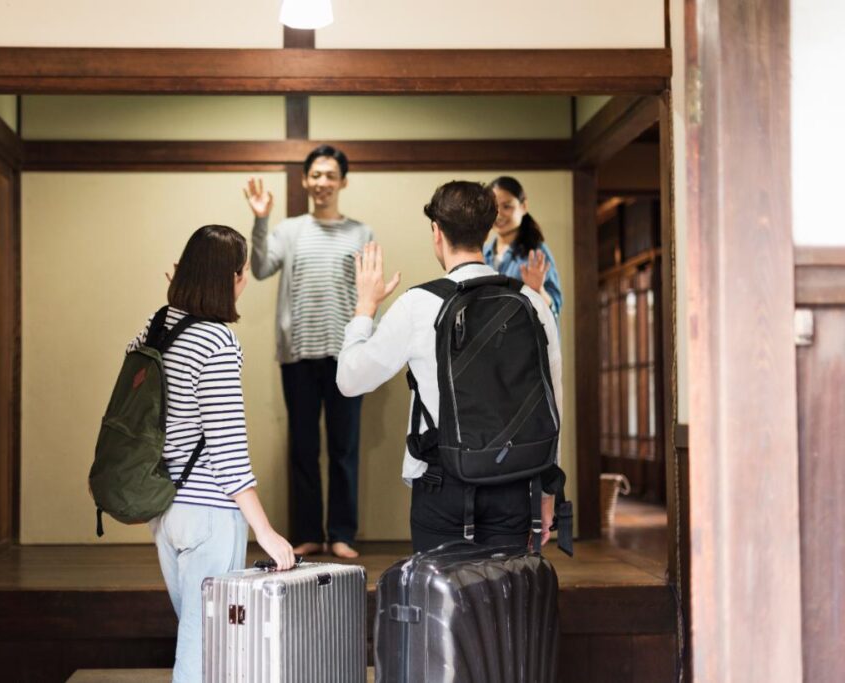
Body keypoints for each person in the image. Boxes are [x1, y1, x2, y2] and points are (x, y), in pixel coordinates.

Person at [336, 181, 562, 553]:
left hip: (442, 484)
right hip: (516, 482)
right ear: (487, 230)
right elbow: (552, 400)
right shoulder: (531, 301)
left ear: (436, 232)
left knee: (441, 589)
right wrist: (548, 492)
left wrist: (364, 308)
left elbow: (349, 380)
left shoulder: (417, 304)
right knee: (507, 589)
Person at [128, 225, 295, 683]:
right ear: (233, 278)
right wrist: (265, 531)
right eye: (243, 272)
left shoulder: (156, 326)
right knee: (205, 652)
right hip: (209, 514)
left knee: (197, 637)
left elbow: (135, 402)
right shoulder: (217, 342)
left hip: (165, 511)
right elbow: (228, 450)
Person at [244, 145, 373, 559]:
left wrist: (369, 345)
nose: (322, 182)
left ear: (343, 182)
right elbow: (260, 268)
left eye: (330, 175)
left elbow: (368, 290)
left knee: (344, 448)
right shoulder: (289, 230)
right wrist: (261, 220)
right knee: (303, 448)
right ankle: (308, 533)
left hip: (347, 355)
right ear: (305, 180)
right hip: (298, 356)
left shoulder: (361, 233)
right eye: (315, 175)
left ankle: (341, 534)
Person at [483, 176, 563, 320]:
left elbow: (555, 310)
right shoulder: (482, 253)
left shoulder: (536, 253)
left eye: (506, 206)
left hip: (523, 334)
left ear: (524, 206)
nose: (498, 215)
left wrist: (538, 290)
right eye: (494, 208)